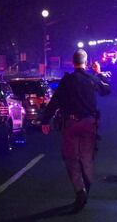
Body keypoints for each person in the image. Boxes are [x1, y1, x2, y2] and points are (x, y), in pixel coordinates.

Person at [41, 49, 111, 212]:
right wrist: (99, 73)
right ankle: (86, 187)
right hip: (89, 124)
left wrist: (45, 120)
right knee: (87, 157)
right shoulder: (92, 79)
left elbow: (55, 101)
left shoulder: (67, 81)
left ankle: (80, 191)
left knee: (71, 158)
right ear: (86, 62)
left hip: (71, 124)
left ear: (72, 62)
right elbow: (106, 90)